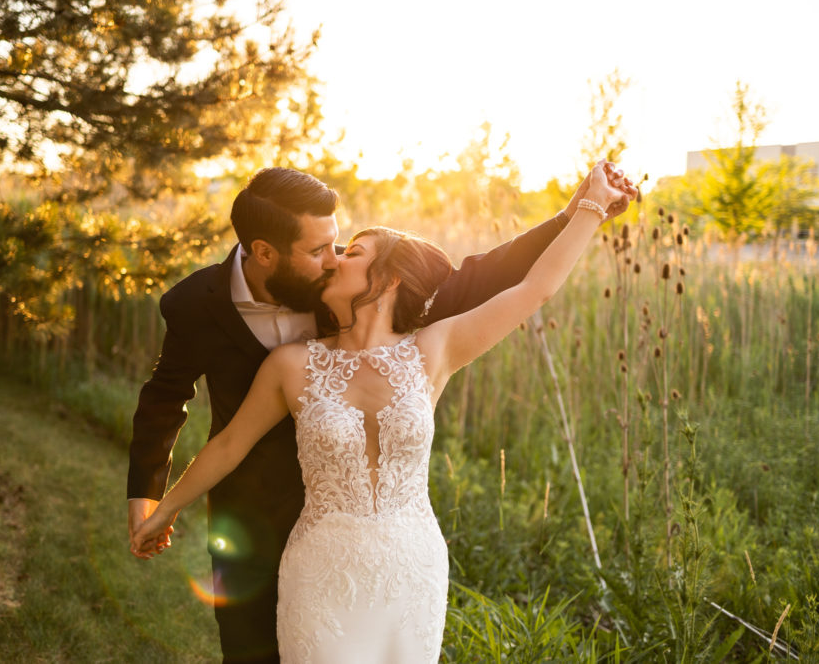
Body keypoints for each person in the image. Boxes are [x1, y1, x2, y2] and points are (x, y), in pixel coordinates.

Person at [131, 161, 638, 662]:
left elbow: (531, 288)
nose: (330, 260)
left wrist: (586, 209)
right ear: (264, 253)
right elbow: (225, 442)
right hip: (318, 567)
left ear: (390, 278)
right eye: (323, 250)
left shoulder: (435, 348)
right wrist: (163, 507)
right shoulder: (287, 363)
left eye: (347, 250)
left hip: (411, 568)